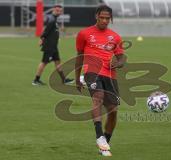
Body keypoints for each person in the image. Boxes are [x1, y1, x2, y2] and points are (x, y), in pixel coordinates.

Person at [75, 5, 127, 156]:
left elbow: (121, 56)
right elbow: (79, 57)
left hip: (110, 74)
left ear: (111, 19)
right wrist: (78, 78)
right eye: (102, 17)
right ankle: (99, 136)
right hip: (92, 71)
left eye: (107, 18)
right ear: (96, 16)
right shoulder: (84, 34)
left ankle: (104, 144)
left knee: (113, 111)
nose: (104, 21)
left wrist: (120, 63)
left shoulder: (115, 36)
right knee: (98, 98)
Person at [32, 5, 74, 85]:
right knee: (44, 62)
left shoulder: (54, 19)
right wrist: (41, 39)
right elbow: (46, 32)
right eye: (57, 10)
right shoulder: (52, 20)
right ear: (53, 10)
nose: (59, 12)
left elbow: (52, 31)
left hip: (54, 46)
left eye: (60, 11)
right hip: (49, 47)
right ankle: (36, 80)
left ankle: (64, 79)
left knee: (58, 62)